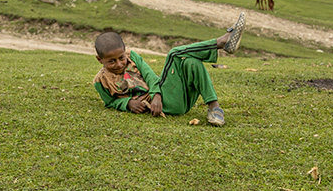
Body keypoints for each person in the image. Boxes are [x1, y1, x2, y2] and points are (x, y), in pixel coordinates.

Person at [92, 13, 245, 127]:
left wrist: (157, 94)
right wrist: (128, 103)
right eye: (111, 61)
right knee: (174, 54)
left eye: (121, 57)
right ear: (100, 60)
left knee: (192, 62)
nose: (119, 64)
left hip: (172, 98)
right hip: (163, 105)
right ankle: (220, 42)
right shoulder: (100, 81)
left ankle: (214, 109)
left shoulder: (132, 57)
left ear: (125, 52)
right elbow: (110, 102)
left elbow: (150, 76)